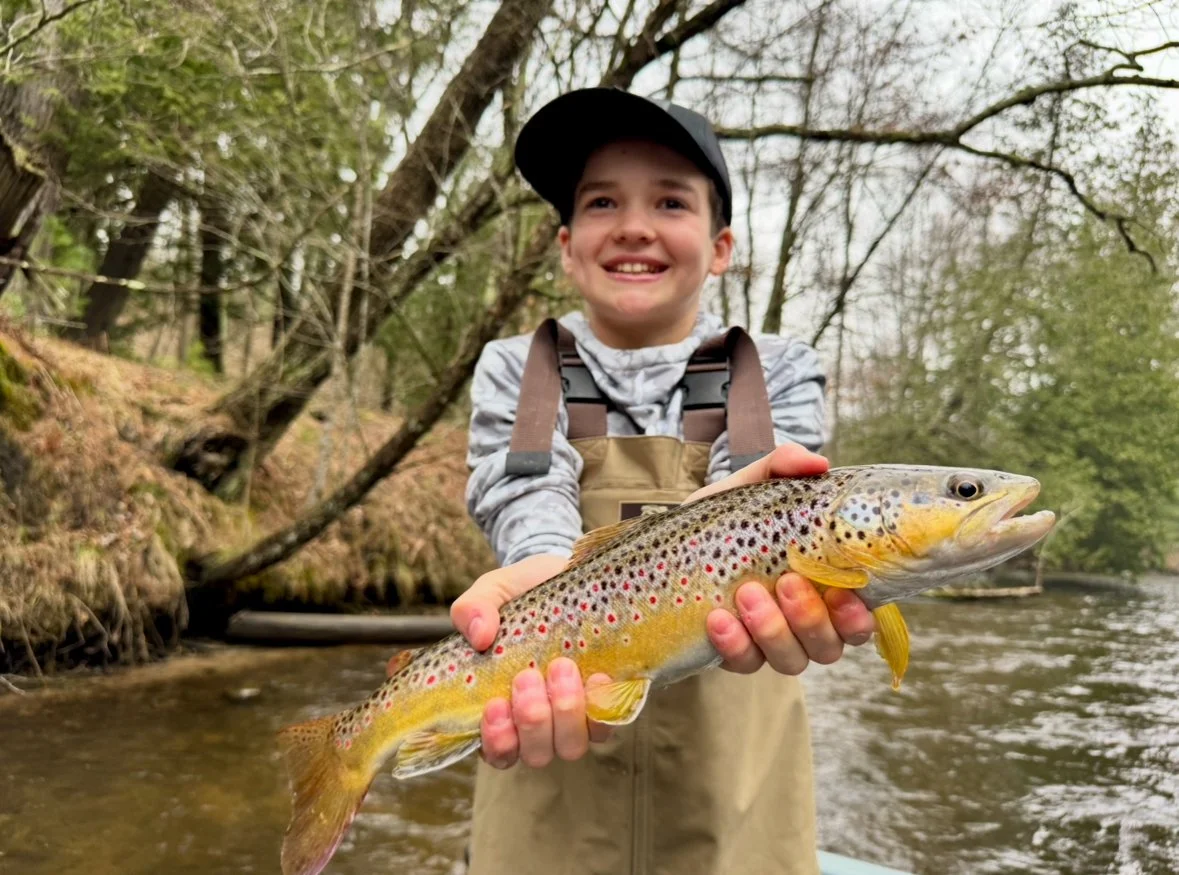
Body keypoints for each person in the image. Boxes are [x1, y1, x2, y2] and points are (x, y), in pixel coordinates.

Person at [444, 87, 876, 875]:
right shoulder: (518, 367)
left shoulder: (775, 367)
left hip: (733, 802)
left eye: (670, 201)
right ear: (568, 245)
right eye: (603, 201)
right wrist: (550, 574)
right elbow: (527, 492)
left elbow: (770, 500)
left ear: (719, 247)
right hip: (551, 757)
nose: (634, 225)